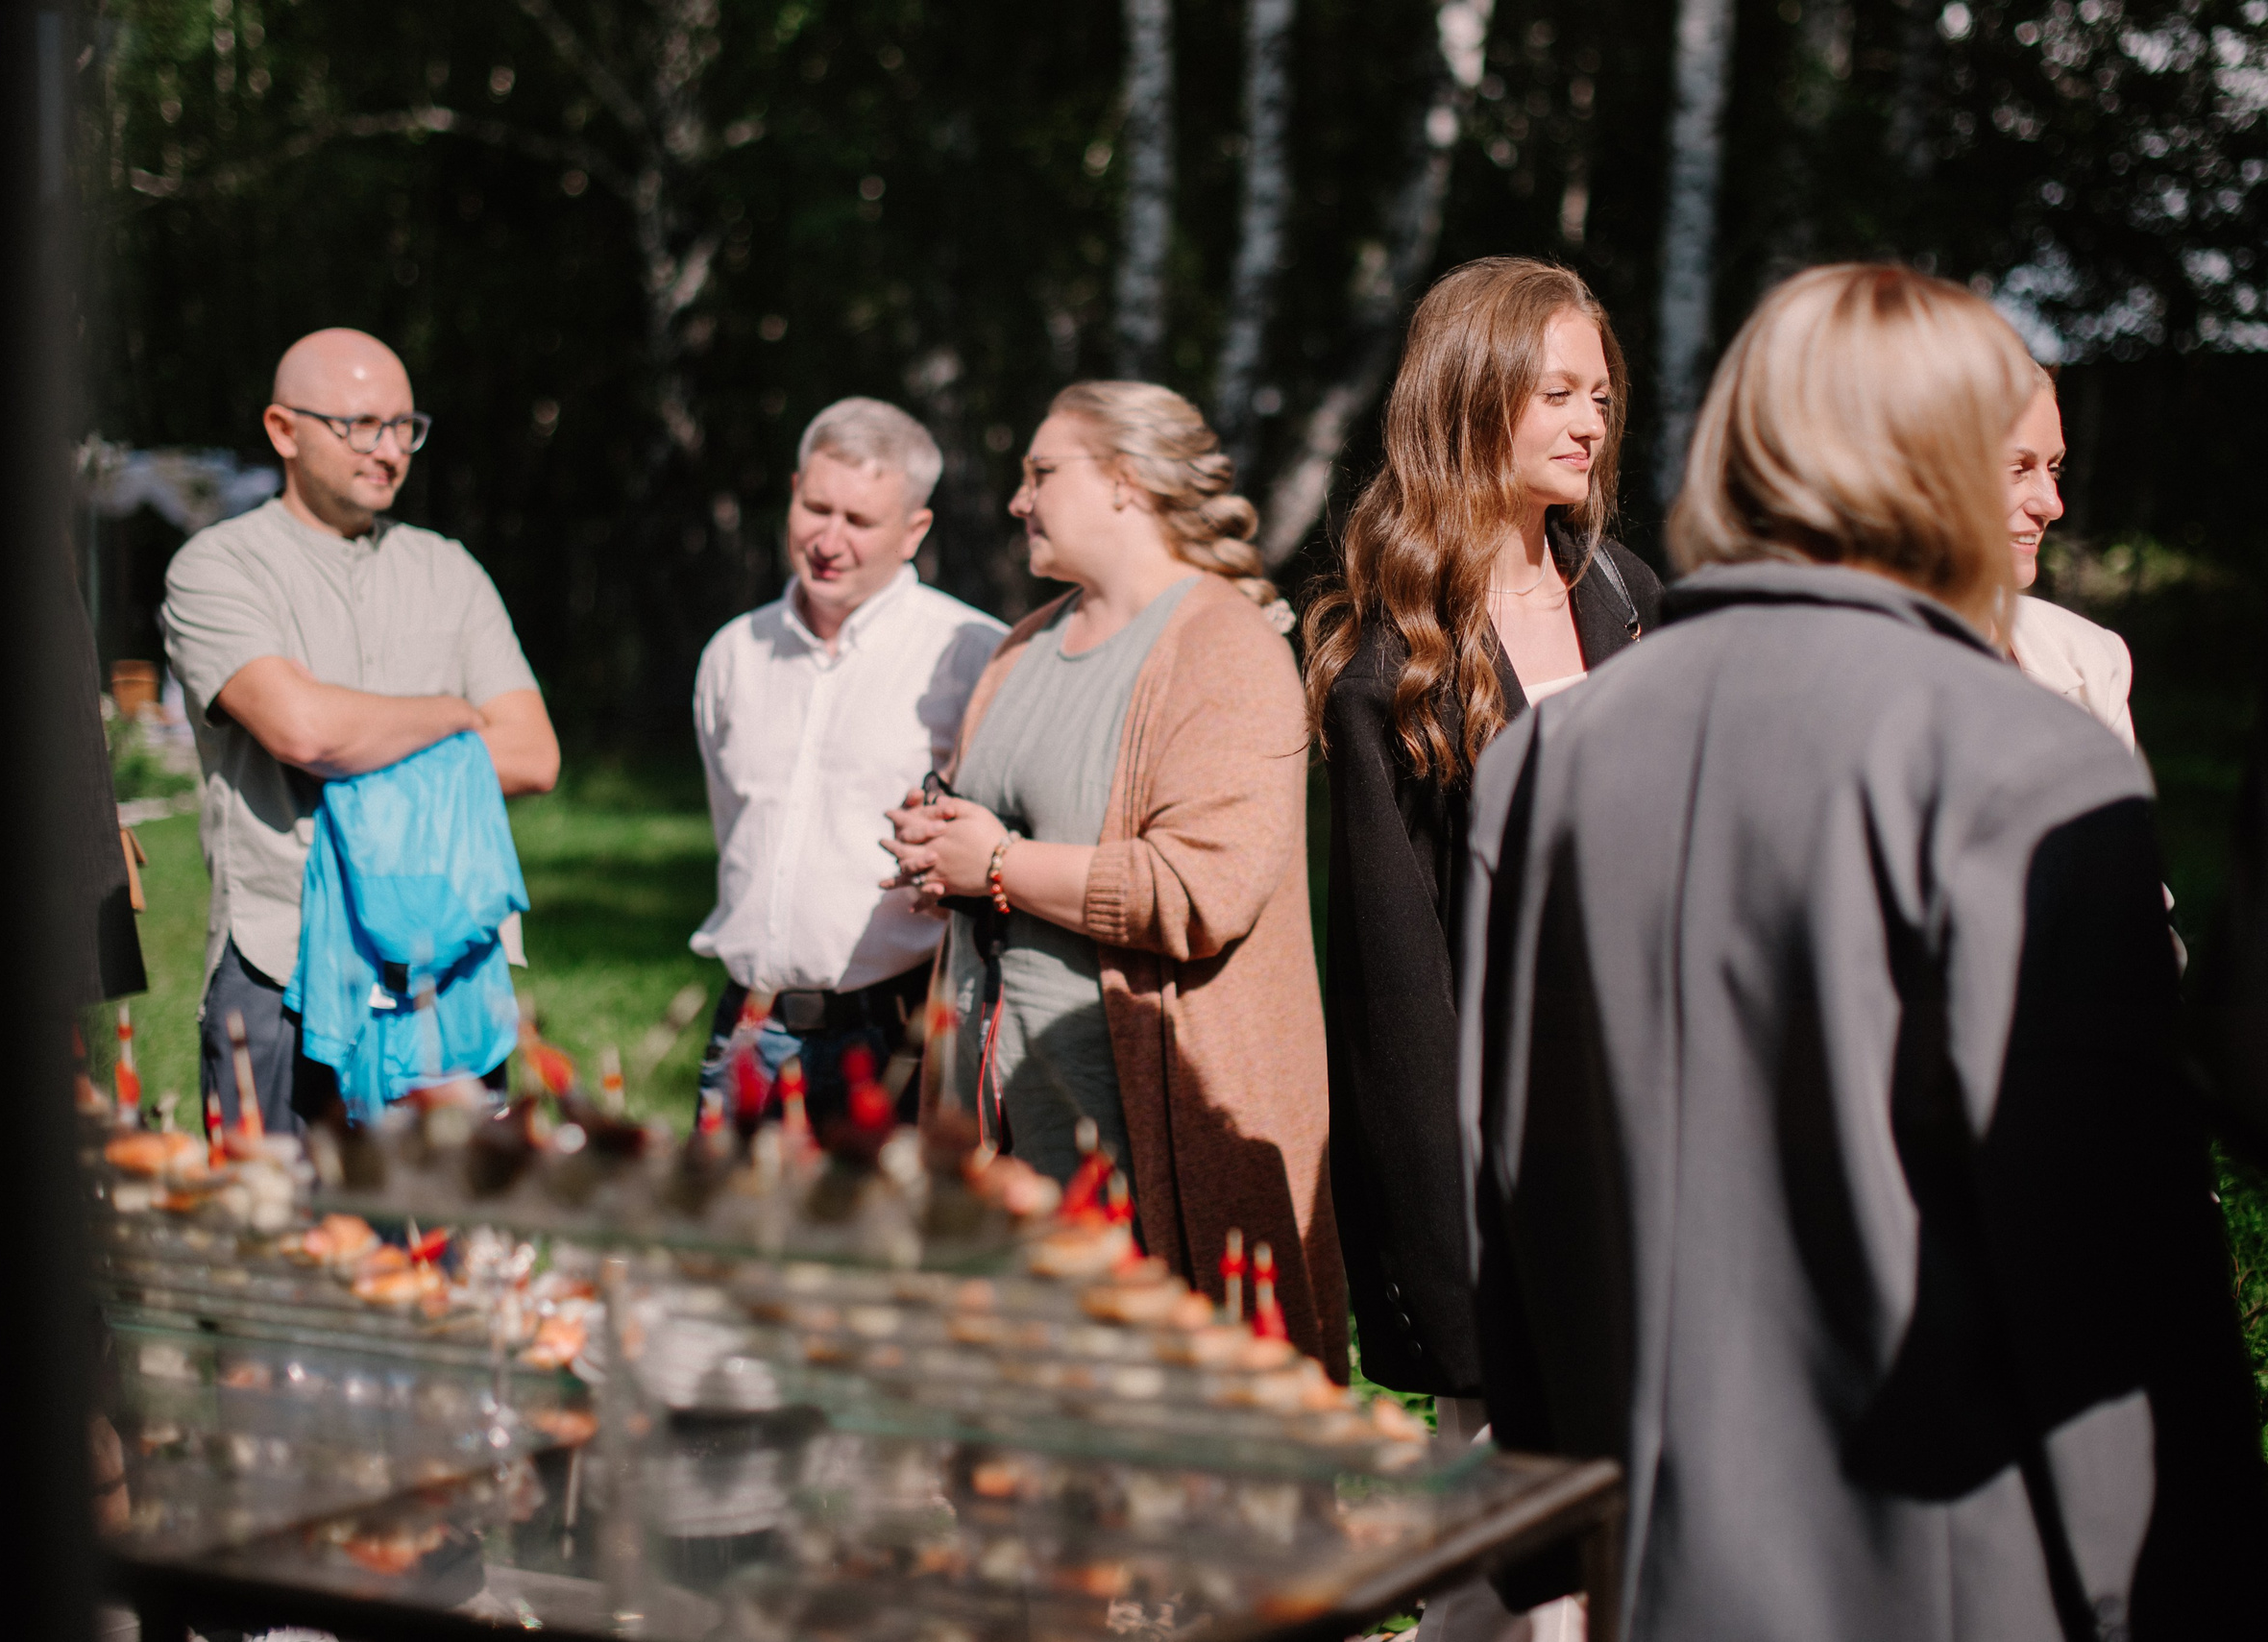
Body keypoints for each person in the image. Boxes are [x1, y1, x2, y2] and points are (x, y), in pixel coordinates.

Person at [1459, 264, 2266, 1639]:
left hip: (1651, 1557)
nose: (2050, 502)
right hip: (1959, 1561)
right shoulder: (2030, 767)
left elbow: (1512, 1179)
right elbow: (2108, 1249)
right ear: (1939, 459)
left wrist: (1549, 1548)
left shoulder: (1546, 758)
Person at [879, 382, 1348, 1380]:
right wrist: (943, 852)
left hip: (1141, 1146)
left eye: (1042, 472)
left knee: (1162, 1462)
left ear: (1128, 483)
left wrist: (996, 864)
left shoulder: (1225, 646)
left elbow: (1202, 889)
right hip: (996, 1132)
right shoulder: (1021, 648)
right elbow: (1001, 840)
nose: (1018, 499)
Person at [1299, 257, 1661, 1416]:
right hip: (1507, 1135)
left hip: (1660, 1095)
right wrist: (1446, 1264)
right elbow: (1393, 989)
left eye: (1599, 396)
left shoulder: (1627, 592)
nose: (1590, 424)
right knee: (1522, 1542)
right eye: (1556, 393)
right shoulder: (1387, 665)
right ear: (1469, 395)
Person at [161, 328, 559, 1134]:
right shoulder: (217, 567)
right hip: (281, 966)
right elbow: (304, 731)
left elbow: (533, 753)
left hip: (448, 973)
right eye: (361, 425)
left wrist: (362, 728)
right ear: (284, 430)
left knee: (442, 1248)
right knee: (278, 1245)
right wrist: (451, 715)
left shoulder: (448, 568)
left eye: (405, 427)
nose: (389, 450)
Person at [690, 398, 1004, 1130]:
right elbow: (733, 827)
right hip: (747, 1029)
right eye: (815, 507)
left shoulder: (970, 654)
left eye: (859, 521)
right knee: (721, 1244)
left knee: (878, 1246)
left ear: (914, 530)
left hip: (896, 1035)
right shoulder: (734, 653)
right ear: (793, 489)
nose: (829, 539)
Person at [1998, 374, 2138, 750]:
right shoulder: (1844, 669)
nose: (2052, 505)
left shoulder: (2090, 661)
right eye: (2017, 470)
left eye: (2054, 468)